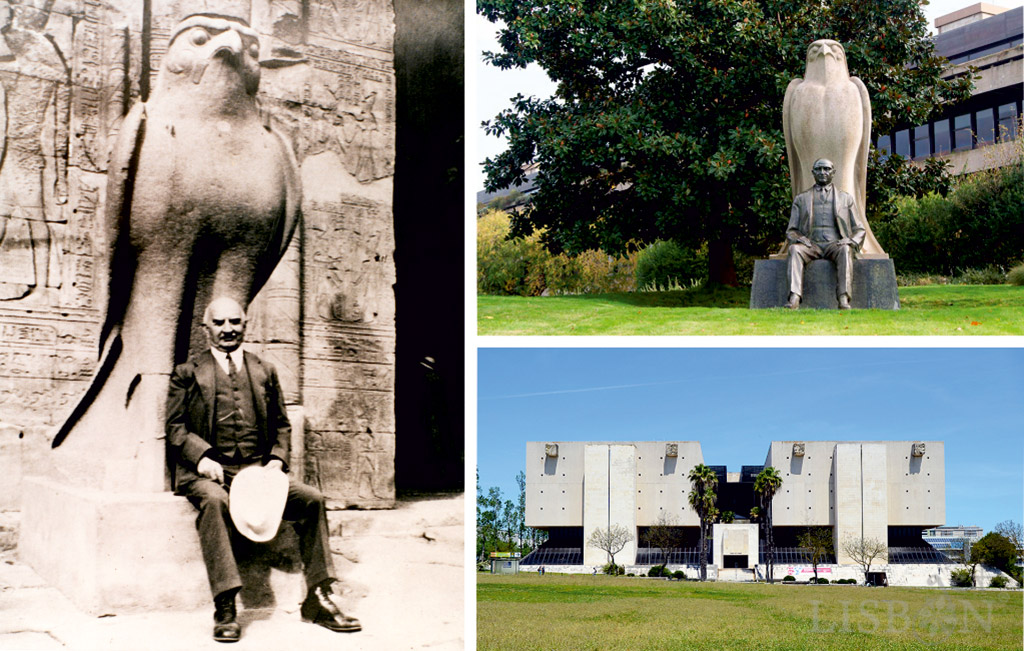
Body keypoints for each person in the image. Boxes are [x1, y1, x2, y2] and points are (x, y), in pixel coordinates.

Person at [166, 297, 361, 643]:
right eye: (220, 322)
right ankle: (225, 605)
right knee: (214, 502)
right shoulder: (187, 372)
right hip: (208, 472)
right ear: (206, 327)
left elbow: (282, 426)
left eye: (235, 322)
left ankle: (318, 597)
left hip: (257, 472)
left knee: (312, 499)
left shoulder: (264, 369)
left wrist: (276, 460)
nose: (228, 329)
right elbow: (176, 428)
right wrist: (202, 458)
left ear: (246, 324)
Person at [784, 158, 866, 310]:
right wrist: (800, 239)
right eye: (819, 169)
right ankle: (794, 297)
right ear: (813, 172)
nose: (823, 172)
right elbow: (791, 230)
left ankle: (843, 298)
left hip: (834, 244)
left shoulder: (845, 198)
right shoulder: (801, 199)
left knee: (845, 250)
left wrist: (850, 241)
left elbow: (860, 229)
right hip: (811, 245)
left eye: (827, 169)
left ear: (833, 172)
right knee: (794, 250)